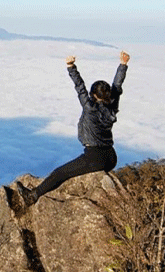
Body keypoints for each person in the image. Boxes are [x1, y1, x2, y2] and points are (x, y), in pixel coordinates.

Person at [15, 50, 130, 210]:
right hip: (111, 156)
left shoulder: (90, 107)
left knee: (59, 173)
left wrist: (71, 66)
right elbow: (117, 87)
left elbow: (80, 87)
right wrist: (123, 65)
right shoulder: (112, 105)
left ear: (93, 95)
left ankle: (32, 196)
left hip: (95, 157)